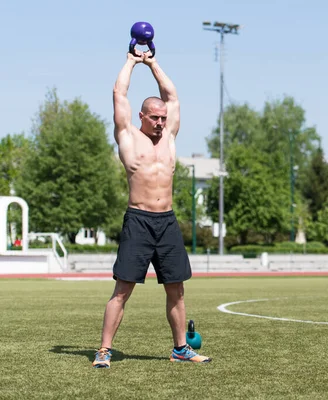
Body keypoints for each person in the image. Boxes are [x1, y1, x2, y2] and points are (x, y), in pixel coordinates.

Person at [92, 50, 211, 368]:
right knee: (122, 290)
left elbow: (172, 95)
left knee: (177, 290)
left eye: (163, 118)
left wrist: (153, 63)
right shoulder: (128, 137)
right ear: (141, 117)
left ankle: (181, 349)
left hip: (167, 222)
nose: (161, 122)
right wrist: (132, 61)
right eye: (154, 118)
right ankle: (104, 350)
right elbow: (119, 93)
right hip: (139, 220)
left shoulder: (170, 138)